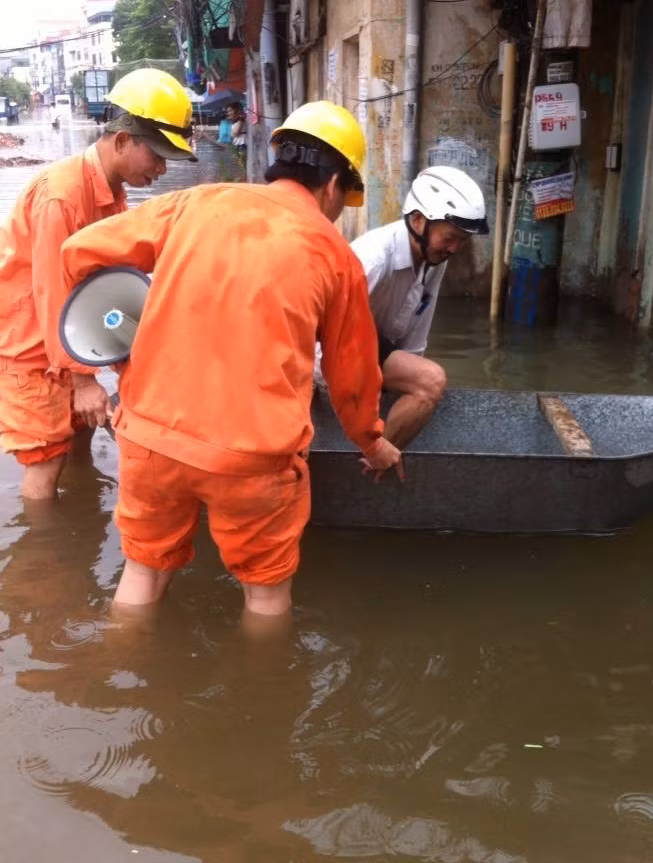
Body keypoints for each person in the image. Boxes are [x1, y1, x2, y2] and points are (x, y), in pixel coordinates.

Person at [59, 100, 403, 619]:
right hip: (252, 458)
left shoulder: (195, 203)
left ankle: (118, 673)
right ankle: (264, 694)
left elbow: (78, 253)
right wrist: (373, 443)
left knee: (143, 573)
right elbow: (352, 378)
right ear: (333, 185)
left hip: (150, 438)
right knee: (265, 593)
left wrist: (129, 328)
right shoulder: (335, 255)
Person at [0, 67, 196, 500]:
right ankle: (47, 560)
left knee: (81, 436)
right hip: (32, 349)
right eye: (159, 156)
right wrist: (85, 381)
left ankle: (84, 512)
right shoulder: (62, 196)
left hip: (70, 343)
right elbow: (53, 290)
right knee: (45, 457)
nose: (163, 170)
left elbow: (109, 285)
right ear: (122, 140)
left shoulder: (113, 193)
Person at [349, 165, 488, 448]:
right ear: (417, 221)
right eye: (450, 237)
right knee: (430, 379)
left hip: (374, 350)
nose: (454, 249)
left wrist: (406, 380)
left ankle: (373, 460)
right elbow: (329, 334)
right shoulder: (373, 259)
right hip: (340, 351)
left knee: (425, 379)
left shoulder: (433, 260)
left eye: (461, 241)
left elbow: (413, 345)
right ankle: (373, 457)